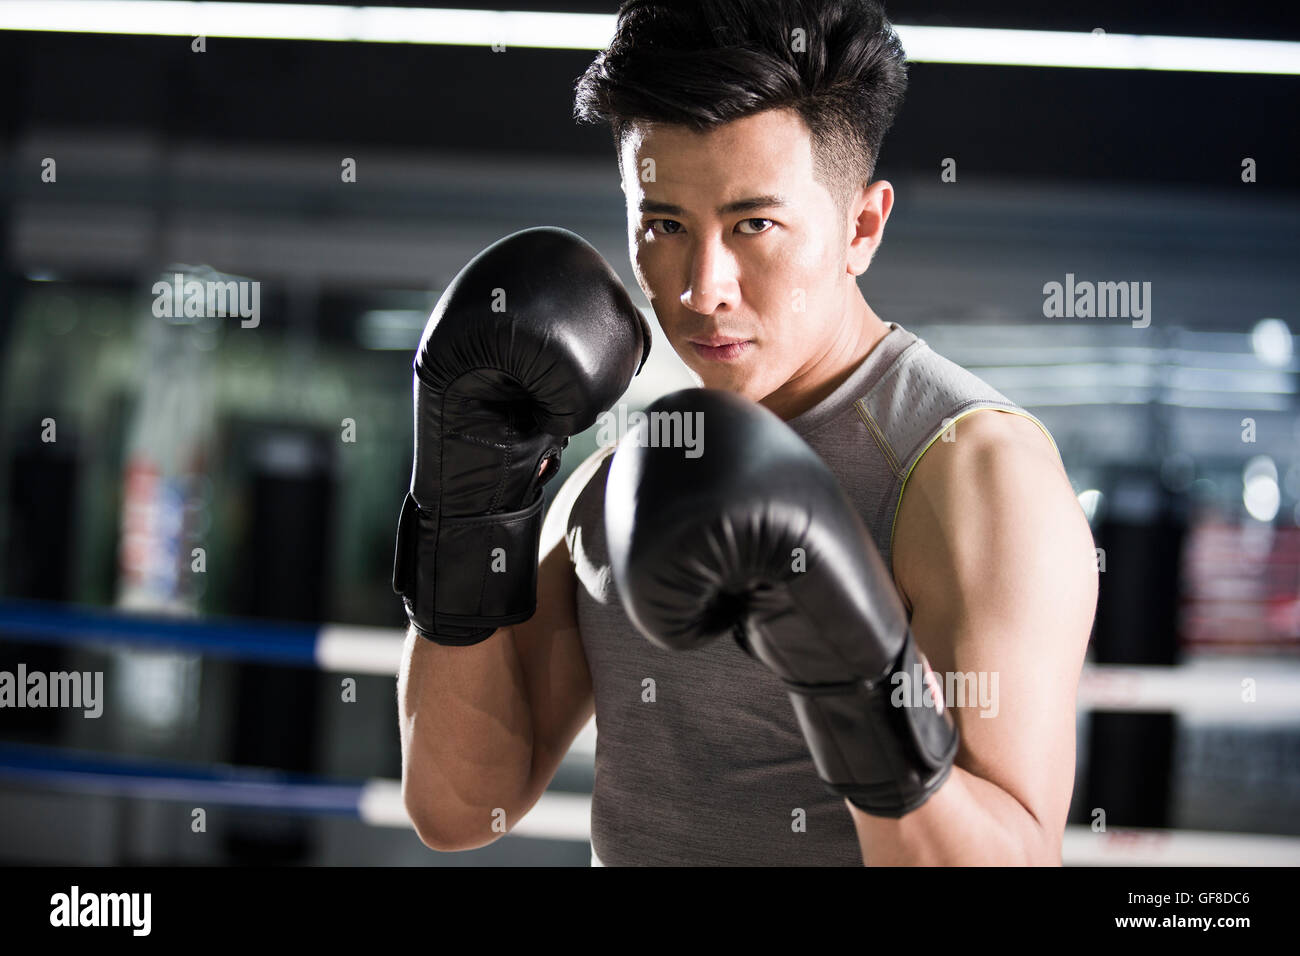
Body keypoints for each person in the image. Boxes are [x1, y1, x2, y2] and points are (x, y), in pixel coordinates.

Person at [398, 0, 1098, 865]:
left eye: (753, 225)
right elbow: (460, 807)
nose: (702, 288)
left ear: (862, 227)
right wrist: (467, 500)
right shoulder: (620, 481)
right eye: (664, 225)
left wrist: (850, 674)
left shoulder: (974, 474)